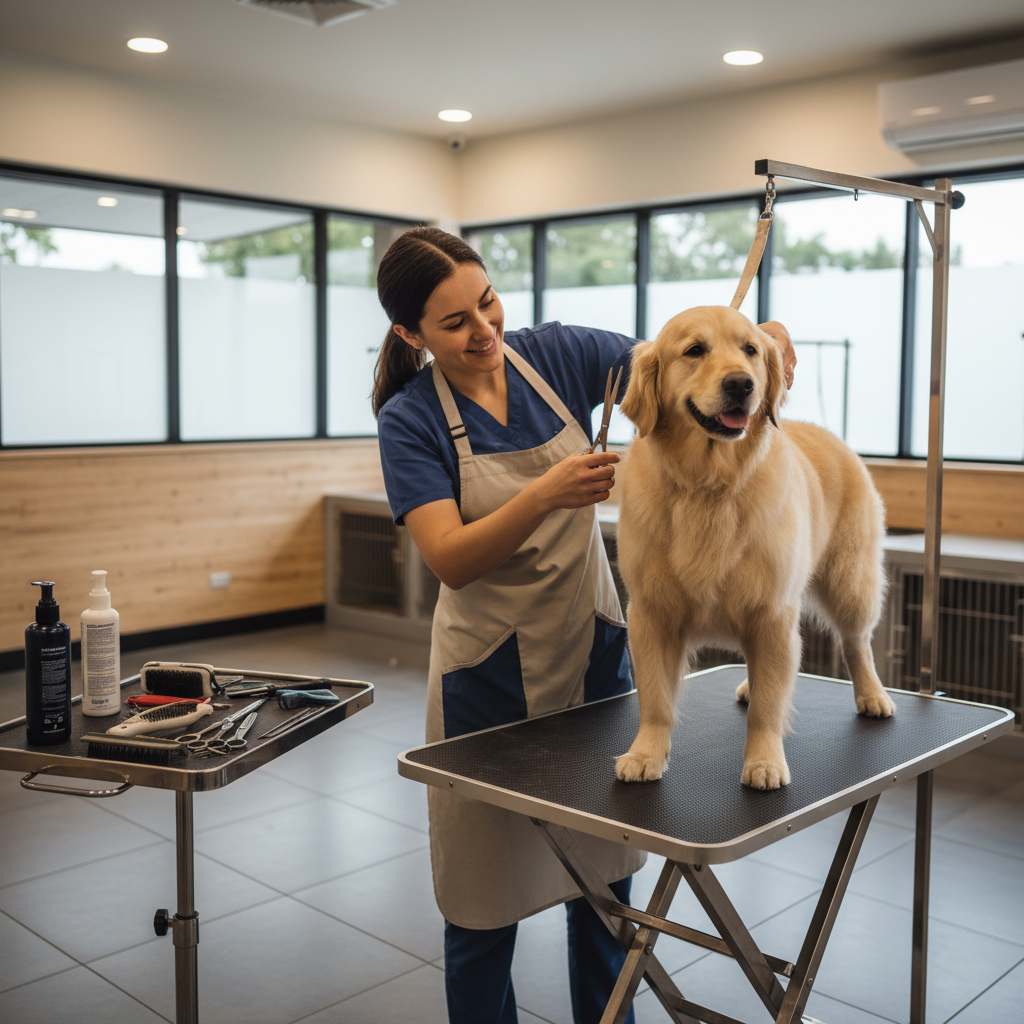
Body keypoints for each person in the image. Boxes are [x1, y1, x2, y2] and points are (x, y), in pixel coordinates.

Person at [372, 226, 795, 1024]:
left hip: (594, 658)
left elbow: (679, 359)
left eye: (488, 303)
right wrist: (545, 493)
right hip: (486, 685)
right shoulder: (410, 419)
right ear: (412, 335)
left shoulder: (559, 355)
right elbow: (450, 559)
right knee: (481, 908)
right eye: (455, 322)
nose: (485, 330)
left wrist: (755, 343)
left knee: (607, 902)